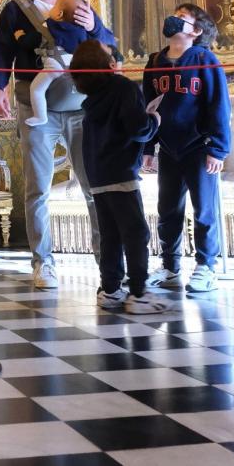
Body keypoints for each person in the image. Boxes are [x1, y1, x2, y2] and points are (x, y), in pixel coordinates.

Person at [0, 0, 118, 288]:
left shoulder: (77, 6)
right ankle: (42, 262)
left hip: (80, 108)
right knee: (37, 190)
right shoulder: (14, 11)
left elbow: (110, 46)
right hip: (36, 109)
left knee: (93, 187)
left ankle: (106, 260)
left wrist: (93, 27)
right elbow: (1, 50)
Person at [70, 40, 168, 314]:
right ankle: (138, 293)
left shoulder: (92, 98)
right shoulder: (123, 87)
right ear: (111, 64)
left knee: (110, 235)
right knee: (136, 233)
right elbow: (138, 129)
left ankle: (111, 290)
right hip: (121, 172)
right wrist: (155, 121)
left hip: (98, 175)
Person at [142, 4, 230, 294]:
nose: (174, 20)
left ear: (195, 31)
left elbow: (219, 105)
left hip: (199, 148)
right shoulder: (155, 62)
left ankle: (206, 266)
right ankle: (169, 266)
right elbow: (149, 107)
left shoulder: (205, 60)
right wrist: (148, 146)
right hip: (169, 148)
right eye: (174, 15)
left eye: (182, 18)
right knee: (167, 209)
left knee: (204, 210)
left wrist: (218, 148)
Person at [27, 0, 91, 127]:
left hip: (55, 64)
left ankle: (40, 116)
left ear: (59, 14)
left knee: (36, 90)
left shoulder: (48, 25)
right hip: (75, 66)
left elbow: (32, 40)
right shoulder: (82, 30)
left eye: (54, 6)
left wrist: (20, 36)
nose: (51, 7)